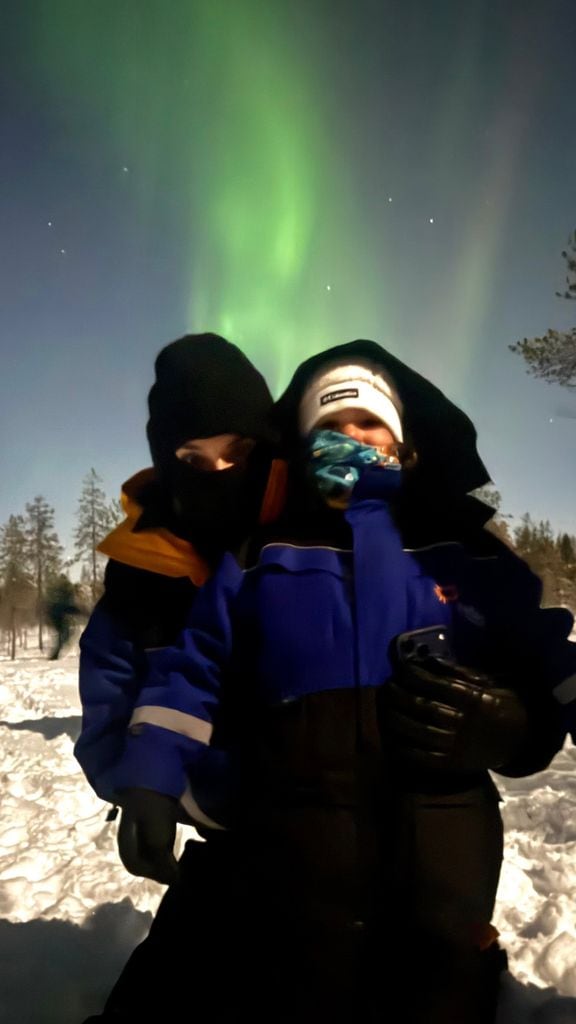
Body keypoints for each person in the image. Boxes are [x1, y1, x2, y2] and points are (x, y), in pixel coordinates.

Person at [108, 340, 575, 1023]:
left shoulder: (464, 551)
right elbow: (192, 666)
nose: (348, 439)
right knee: (307, 987)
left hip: (442, 839)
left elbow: (545, 648)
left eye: (367, 424)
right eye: (328, 429)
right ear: (300, 451)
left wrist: (526, 715)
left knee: (438, 989)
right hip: (300, 842)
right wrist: (149, 775)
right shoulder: (261, 555)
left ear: (406, 448)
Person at [75, 332, 285, 1021]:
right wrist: (189, 796)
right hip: (230, 846)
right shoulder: (140, 579)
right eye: (194, 458)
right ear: (166, 462)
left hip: (354, 840)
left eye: (238, 452)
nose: (218, 471)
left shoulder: (324, 537)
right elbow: (109, 725)